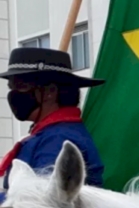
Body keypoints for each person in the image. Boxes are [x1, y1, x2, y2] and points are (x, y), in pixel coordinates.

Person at [0, 47, 105, 198]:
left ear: (50, 91)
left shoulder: (59, 139)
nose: (13, 95)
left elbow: (37, 199)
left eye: (21, 87)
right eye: (11, 88)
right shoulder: (49, 133)